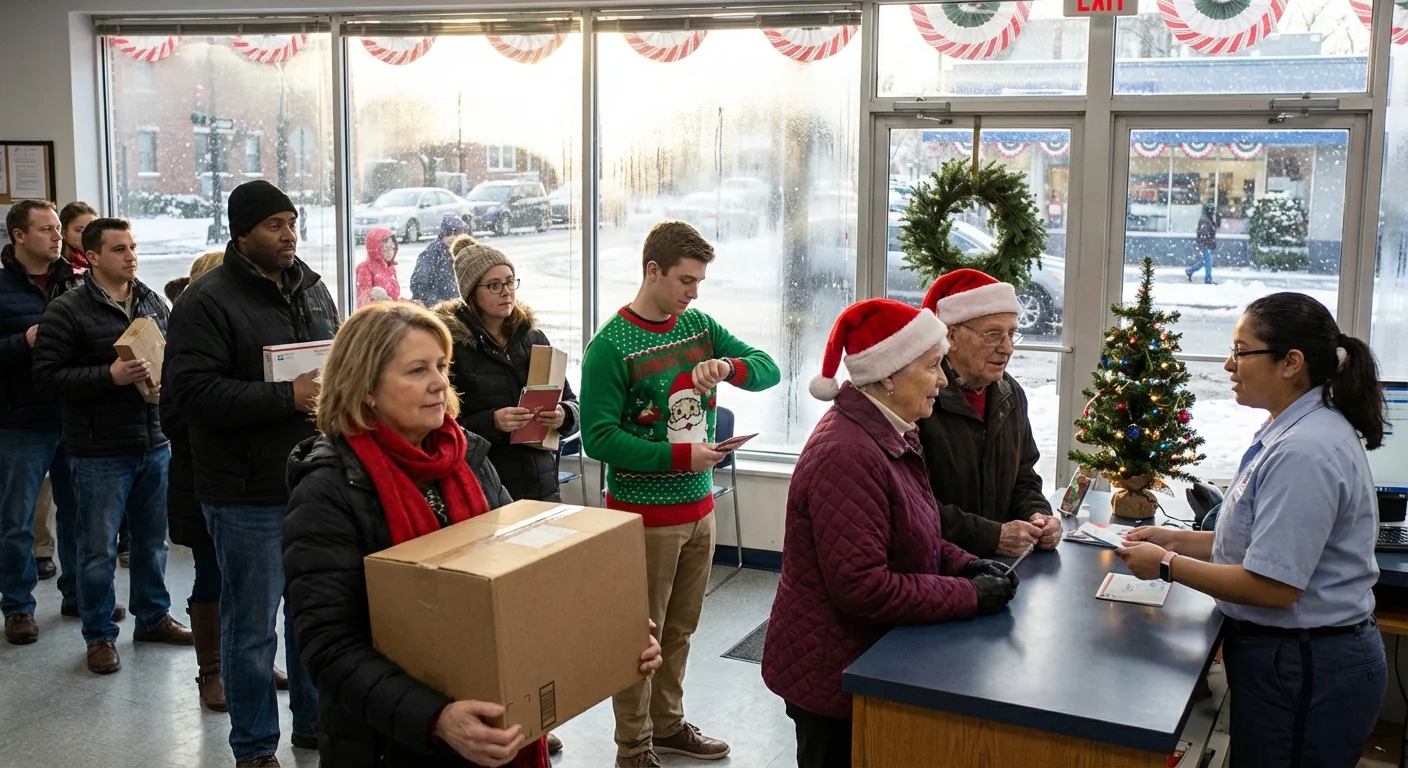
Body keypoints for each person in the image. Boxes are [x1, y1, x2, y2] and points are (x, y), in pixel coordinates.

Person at [283, 301, 663, 768]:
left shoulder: (467, 458)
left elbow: (522, 576)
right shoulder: (328, 490)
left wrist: (609, 629)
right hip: (389, 745)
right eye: (417, 370)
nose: (441, 382)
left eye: (441, 366)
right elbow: (329, 648)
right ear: (364, 389)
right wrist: (436, 718)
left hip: (496, 724)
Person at [1118, 292, 1386, 768]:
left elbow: (1273, 585)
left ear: (1291, 363)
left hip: (1307, 667)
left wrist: (1166, 566)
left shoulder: (1304, 452)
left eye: (1241, 351)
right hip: (1290, 660)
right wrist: (1175, 539)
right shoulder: (1290, 431)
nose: (1228, 364)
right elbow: (1259, 543)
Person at [763, 298, 1018, 768]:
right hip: (834, 676)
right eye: (932, 366)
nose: (943, 380)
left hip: (864, 660)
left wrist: (966, 563)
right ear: (886, 375)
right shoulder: (849, 454)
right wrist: (967, 594)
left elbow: (916, 528)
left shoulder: (893, 431)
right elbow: (863, 587)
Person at [580, 220, 780, 768]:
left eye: (699, 282)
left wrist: (729, 367)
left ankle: (667, 726)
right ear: (653, 271)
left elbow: (769, 369)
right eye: (686, 281)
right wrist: (680, 458)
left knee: (682, 630)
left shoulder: (698, 325)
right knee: (639, 641)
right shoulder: (609, 347)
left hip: (699, 510)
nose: (694, 293)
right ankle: (634, 747)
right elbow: (599, 439)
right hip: (643, 518)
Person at [165, 180, 333, 767]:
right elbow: (191, 395)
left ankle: (316, 728)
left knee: (314, 614)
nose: (289, 234)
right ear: (242, 234)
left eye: (292, 221)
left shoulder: (313, 289)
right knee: (253, 627)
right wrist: (287, 397)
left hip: (313, 480)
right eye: (273, 225)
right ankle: (256, 745)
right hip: (244, 492)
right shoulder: (204, 302)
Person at [31, 217, 191, 675]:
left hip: (153, 439)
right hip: (99, 449)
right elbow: (47, 377)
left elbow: (171, 355)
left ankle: (153, 618)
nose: (130, 256)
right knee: (98, 548)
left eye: (133, 247)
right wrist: (109, 376)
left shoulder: (151, 300)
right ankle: (99, 634)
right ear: (93, 256)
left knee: (150, 542)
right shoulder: (68, 309)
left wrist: (167, 385)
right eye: (119, 249)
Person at [164, 249, 287, 710]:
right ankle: (212, 670)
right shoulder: (192, 336)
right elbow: (176, 418)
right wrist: (241, 411)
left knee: (256, 592)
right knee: (214, 580)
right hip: (207, 482)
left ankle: (252, 664)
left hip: (254, 477)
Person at [917, 270, 1062, 557]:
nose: (1007, 348)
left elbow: (1024, 476)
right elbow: (914, 506)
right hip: (936, 566)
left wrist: (1038, 515)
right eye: (993, 334)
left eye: (1011, 333)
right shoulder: (919, 401)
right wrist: (992, 536)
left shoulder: (1011, 394)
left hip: (995, 568)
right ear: (951, 336)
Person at [435, 236, 580, 503]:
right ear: (470, 294)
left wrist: (563, 416)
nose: (506, 291)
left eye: (510, 281)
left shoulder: (533, 337)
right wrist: (493, 422)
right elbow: (439, 428)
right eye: (494, 285)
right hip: (488, 488)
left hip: (543, 483)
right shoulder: (452, 349)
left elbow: (571, 402)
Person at [0, 200, 84, 645]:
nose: (58, 236)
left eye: (58, 229)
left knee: (78, 514)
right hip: (19, 421)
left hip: (73, 415)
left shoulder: (74, 282)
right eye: (47, 229)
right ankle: (17, 606)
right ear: (18, 236)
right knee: (15, 519)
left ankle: (77, 596)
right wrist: (25, 340)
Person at [411, 213, 468, 307]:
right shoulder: (431, 253)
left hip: (456, 305)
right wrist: (437, 304)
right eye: (451, 233)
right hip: (440, 308)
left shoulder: (461, 252)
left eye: (458, 233)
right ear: (444, 234)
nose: (454, 237)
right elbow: (418, 284)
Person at [355, 226, 401, 307]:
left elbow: (395, 299)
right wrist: (371, 293)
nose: (390, 252)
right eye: (386, 248)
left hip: (391, 315)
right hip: (378, 317)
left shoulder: (390, 268)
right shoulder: (365, 269)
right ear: (376, 248)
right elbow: (363, 302)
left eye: (393, 248)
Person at [58, 201, 97, 273]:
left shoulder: (103, 257)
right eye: (80, 230)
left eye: (93, 229)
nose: (88, 234)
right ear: (64, 232)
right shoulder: (58, 264)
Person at [1187, 202, 1218, 284]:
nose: (1214, 213)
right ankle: (1208, 280)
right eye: (1213, 211)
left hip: (1207, 244)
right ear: (1210, 211)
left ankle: (1190, 271)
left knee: (1204, 262)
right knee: (1208, 263)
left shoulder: (1208, 218)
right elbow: (1204, 234)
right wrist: (1208, 243)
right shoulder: (1205, 220)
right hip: (1206, 245)